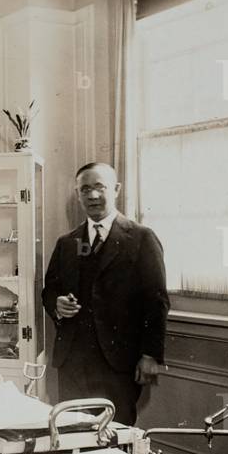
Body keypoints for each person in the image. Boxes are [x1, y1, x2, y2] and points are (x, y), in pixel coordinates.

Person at [41, 162, 169, 425]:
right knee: (72, 432)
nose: (93, 195)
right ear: (77, 194)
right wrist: (57, 304)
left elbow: (156, 302)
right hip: (72, 362)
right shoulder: (67, 243)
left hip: (118, 364)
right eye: (85, 189)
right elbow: (49, 290)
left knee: (115, 434)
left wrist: (150, 356)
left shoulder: (142, 238)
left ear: (117, 189)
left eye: (100, 187)